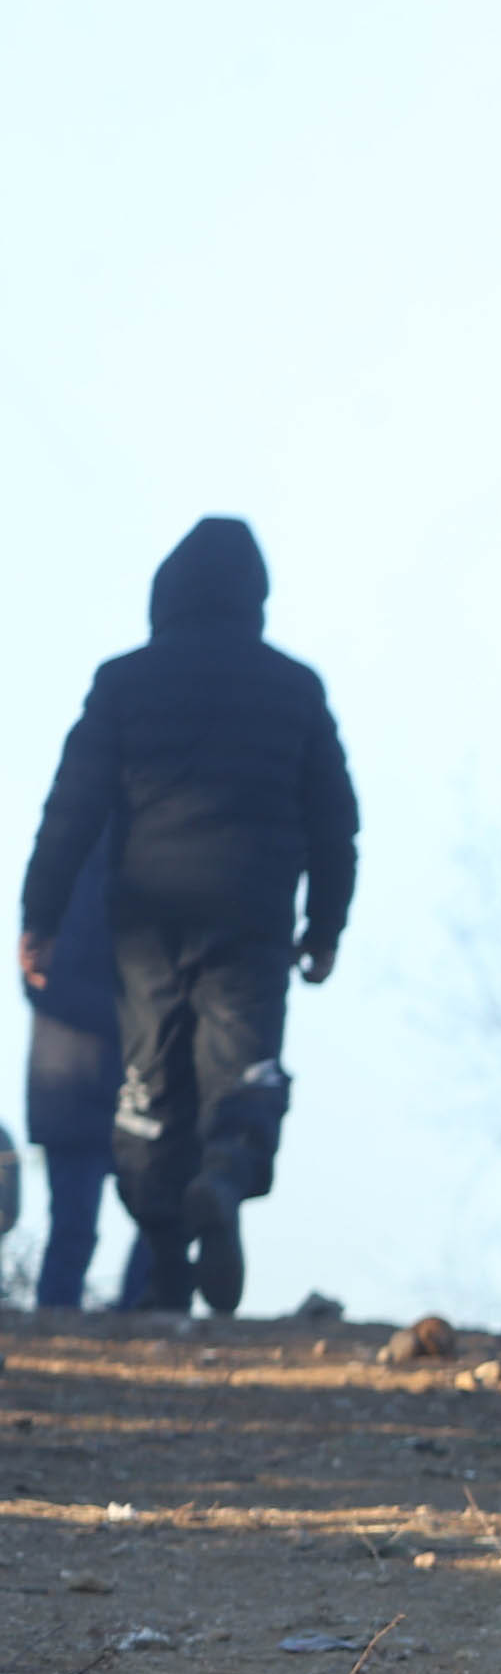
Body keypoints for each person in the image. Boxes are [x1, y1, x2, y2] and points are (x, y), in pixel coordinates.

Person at [18, 517, 358, 1318]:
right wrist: (327, 925)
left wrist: (41, 915)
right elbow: (334, 817)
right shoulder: (295, 688)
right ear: (257, 601)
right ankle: (227, 1173)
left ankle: (169, 1261)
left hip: (147, 921)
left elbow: (71, 807)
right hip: (253, 919)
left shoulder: (123, 681)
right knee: (241, 1070)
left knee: (151, 1085)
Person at [25, 828, 148, 1311]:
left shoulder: (54, 888)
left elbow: (40, 979)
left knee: (140, 1221)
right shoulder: (69, 891)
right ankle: (66, 1326)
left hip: (85, 1083)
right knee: (78, 1228)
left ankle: (128, 1320)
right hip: (79, 1083)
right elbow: (42, 982)